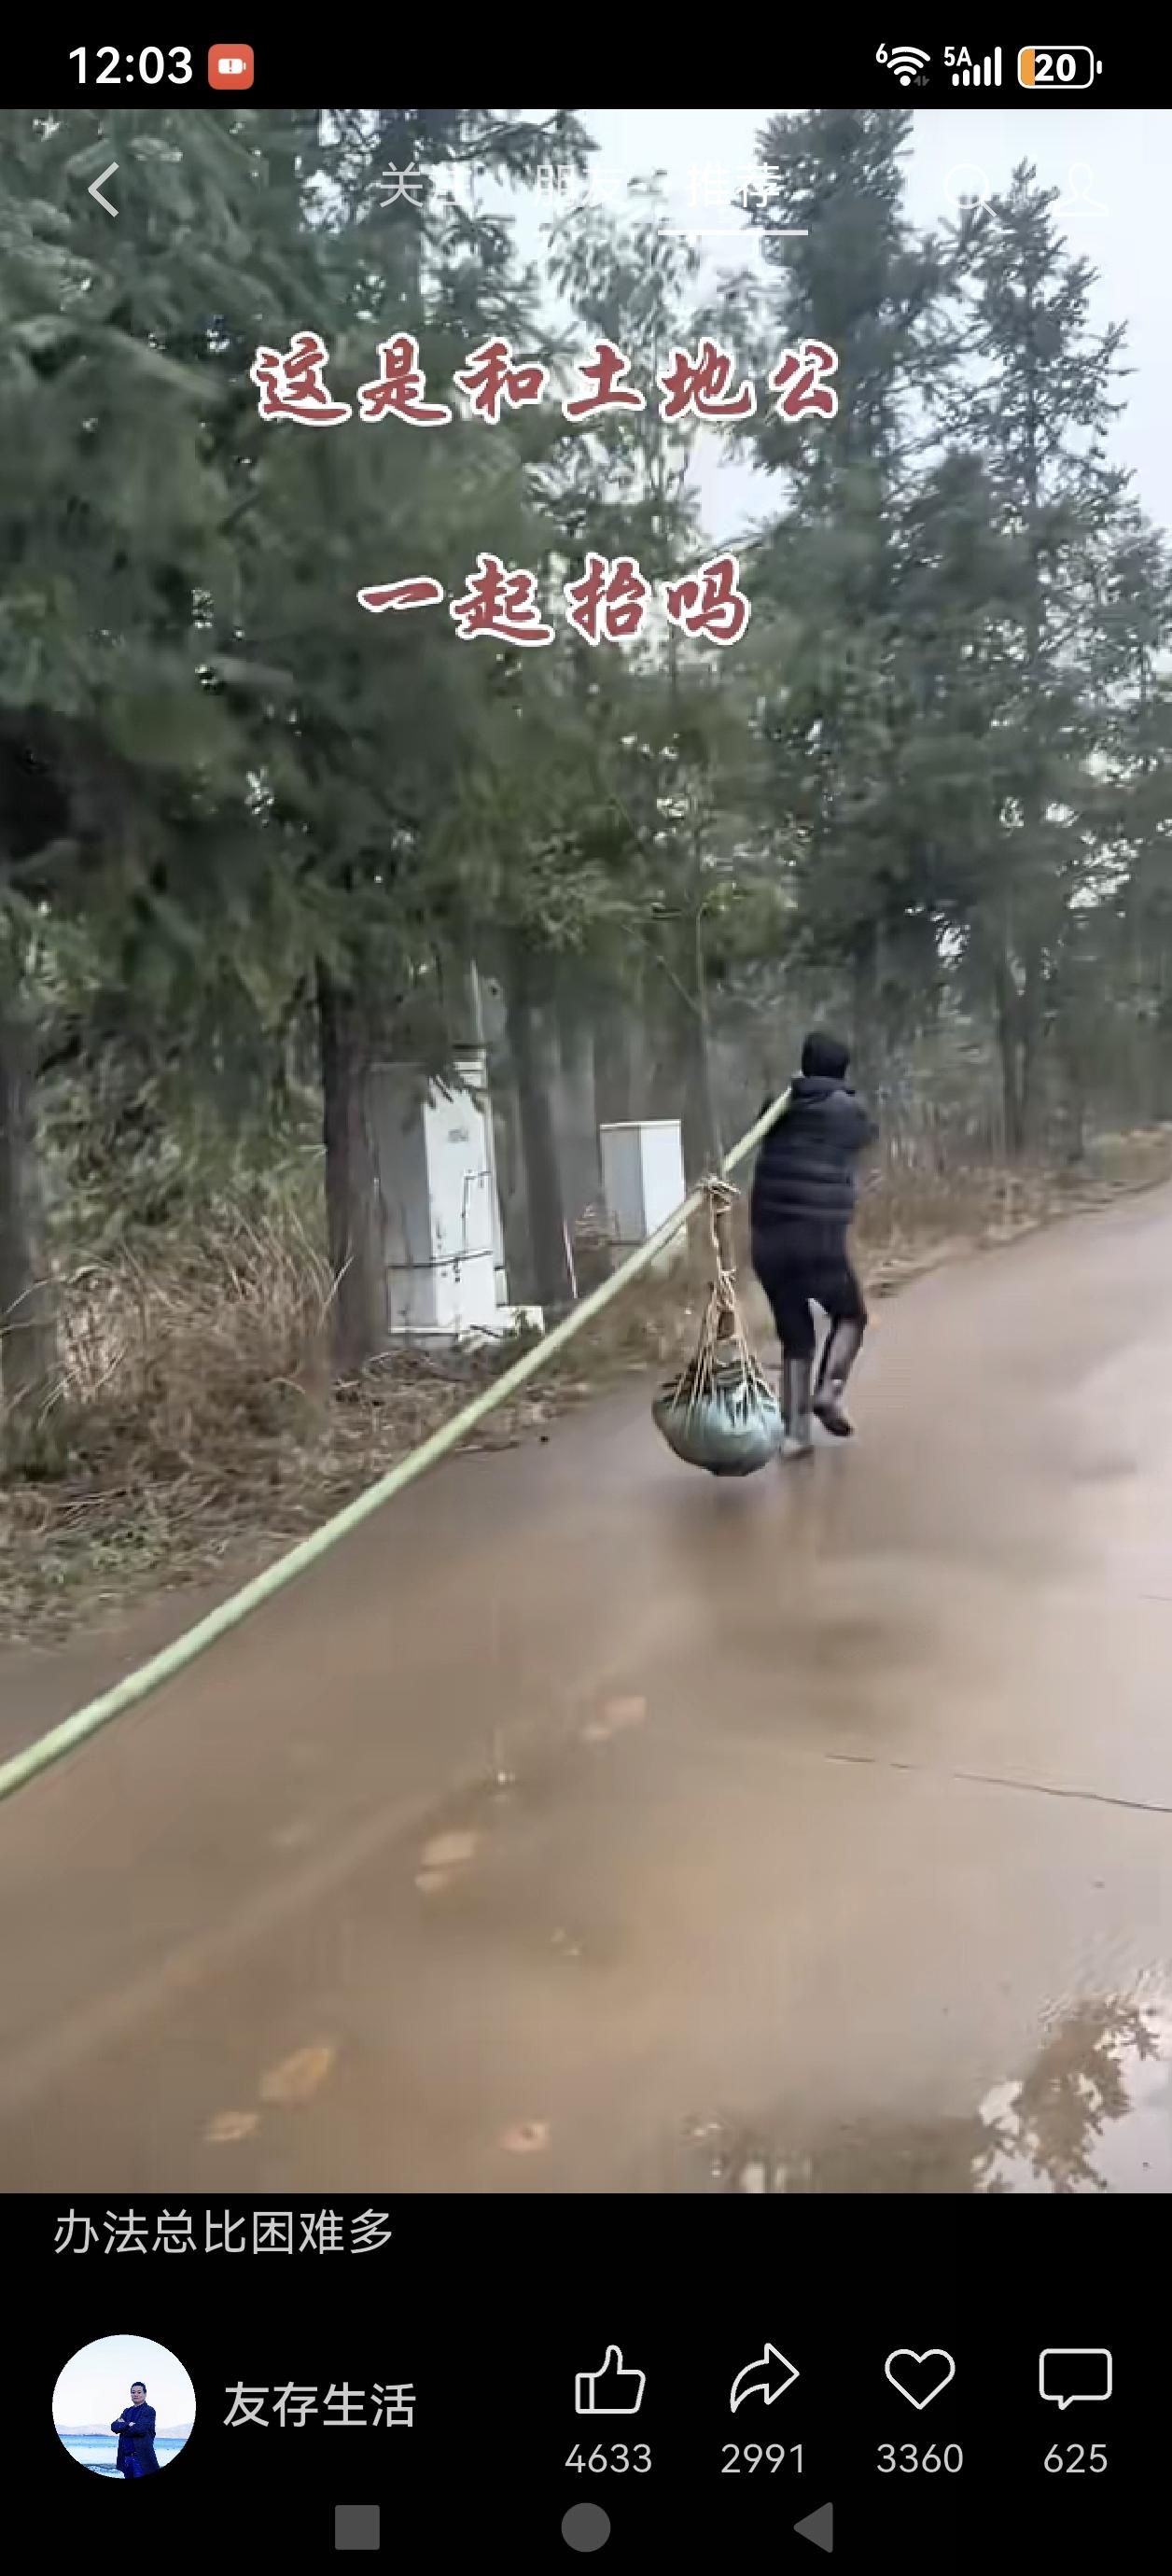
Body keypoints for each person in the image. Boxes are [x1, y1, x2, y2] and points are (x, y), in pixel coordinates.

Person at [750, 1030, 876, 1459]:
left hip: (768, 1242)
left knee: (795, 1335)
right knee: (850, 1315)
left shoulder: (777, 1107)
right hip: (818, 1241)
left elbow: (769, 1124)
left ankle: (795, 1434)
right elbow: (865, 1134)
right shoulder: (849, 1112)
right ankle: (830, 1390)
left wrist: (794, 1088)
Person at [111, 2380, 159, 2478]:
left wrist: (123, 2426)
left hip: (140, 2458)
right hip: (126, 2457)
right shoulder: (127, 2411)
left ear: (145, 2394)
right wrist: (129, 2424)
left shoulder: (149, 2410)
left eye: (139, 2392)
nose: (136, 2394)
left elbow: (140, 2430)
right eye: (133, 2392)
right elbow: (114, 2426)